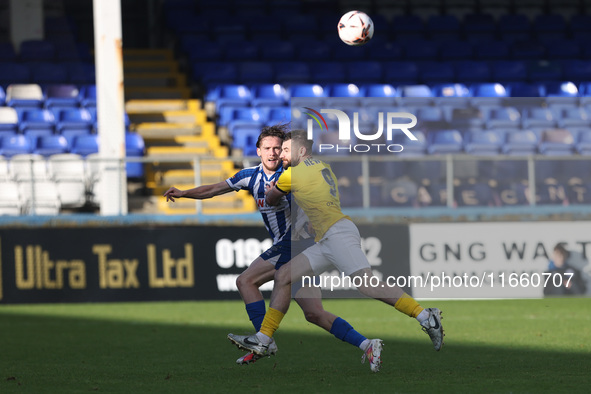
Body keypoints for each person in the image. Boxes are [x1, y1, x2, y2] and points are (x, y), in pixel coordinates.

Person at [164, 125, 384, 370]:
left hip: (295, 244)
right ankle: (368, 345)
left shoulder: (292, 174)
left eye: (277, 148)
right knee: (314, 314)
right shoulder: (249, 176)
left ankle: (262, 340)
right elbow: (215, 189)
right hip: (301, 252)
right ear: (258, 151)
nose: (272, 152)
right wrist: (184, 193)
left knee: (245, 281)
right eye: (267, 148)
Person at [228, 130, 445, 369]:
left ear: (301, 151)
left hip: (337, 233)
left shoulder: (293, 173)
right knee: (284, 275)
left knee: (367, 285)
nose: (281, 155)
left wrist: (271, 186)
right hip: (326, 238)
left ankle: (425, 315)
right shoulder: (322, 166)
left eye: (287, 150)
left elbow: (270, 199)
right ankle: (263, 338)